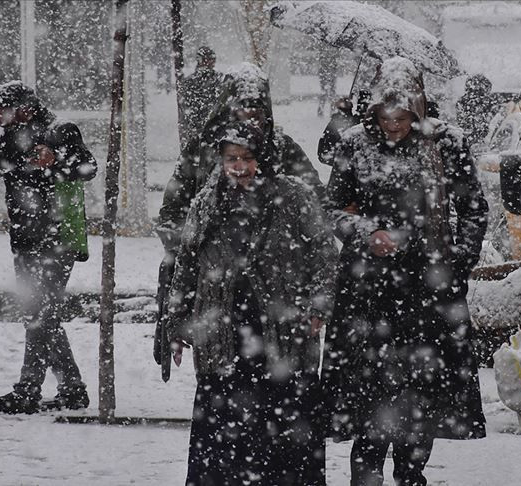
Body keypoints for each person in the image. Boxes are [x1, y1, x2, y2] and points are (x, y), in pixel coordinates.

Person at [321, 57, 489, 486]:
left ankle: (411, 474)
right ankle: (368, 473)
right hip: (367, 287)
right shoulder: (355, 143)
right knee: (369, 391)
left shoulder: (447, 143)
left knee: (422, 392)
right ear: (373, 111)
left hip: (429, 288)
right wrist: (365, 231)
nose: (393, 125)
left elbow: (473, 208)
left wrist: (457, 263)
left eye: (402, 117)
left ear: (418, 108)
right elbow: (331, 208)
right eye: (384, 116)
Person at [162, 121, 336, 485]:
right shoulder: (207, 201)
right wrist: (176, 323)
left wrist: (319, 306)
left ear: (265, 158)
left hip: (283, 329)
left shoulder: (293, 196)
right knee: (223, 434)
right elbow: (186, 263)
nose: (239, 166)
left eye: (247, 157)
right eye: (231, 158)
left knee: (285, 426)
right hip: (223, 330)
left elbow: (323, 251)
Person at [154, 62, 323, 355]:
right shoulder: (203, 150)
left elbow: (317, 208)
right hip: (217, 292)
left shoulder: (284, 149)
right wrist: (201, 250)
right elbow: (172, 213)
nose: (249, 120)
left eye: (256, 113)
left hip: (277, 291)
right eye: (241, 111)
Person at [0, 81, 96, 414]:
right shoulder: (10, 141)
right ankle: (73, 390)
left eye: (2, 110)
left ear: (25, 108)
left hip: (58, 241)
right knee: (40, 315)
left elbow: (88, 168)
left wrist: (56, 161)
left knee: (40, 315)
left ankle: (27, 391)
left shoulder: (60, 131)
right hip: (24, 243)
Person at [178, 46, 223, 148]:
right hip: (203, 131)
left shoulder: (220, 79)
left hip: (209, 131)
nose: (210, 62)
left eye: (212, 59)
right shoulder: (190, 82)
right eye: (208, 59)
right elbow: (186, 109)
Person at [456, 74, 499, 148]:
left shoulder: (462, 101)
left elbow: (461, 122)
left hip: (468, 138)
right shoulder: (484, 101)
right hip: (475, 138)